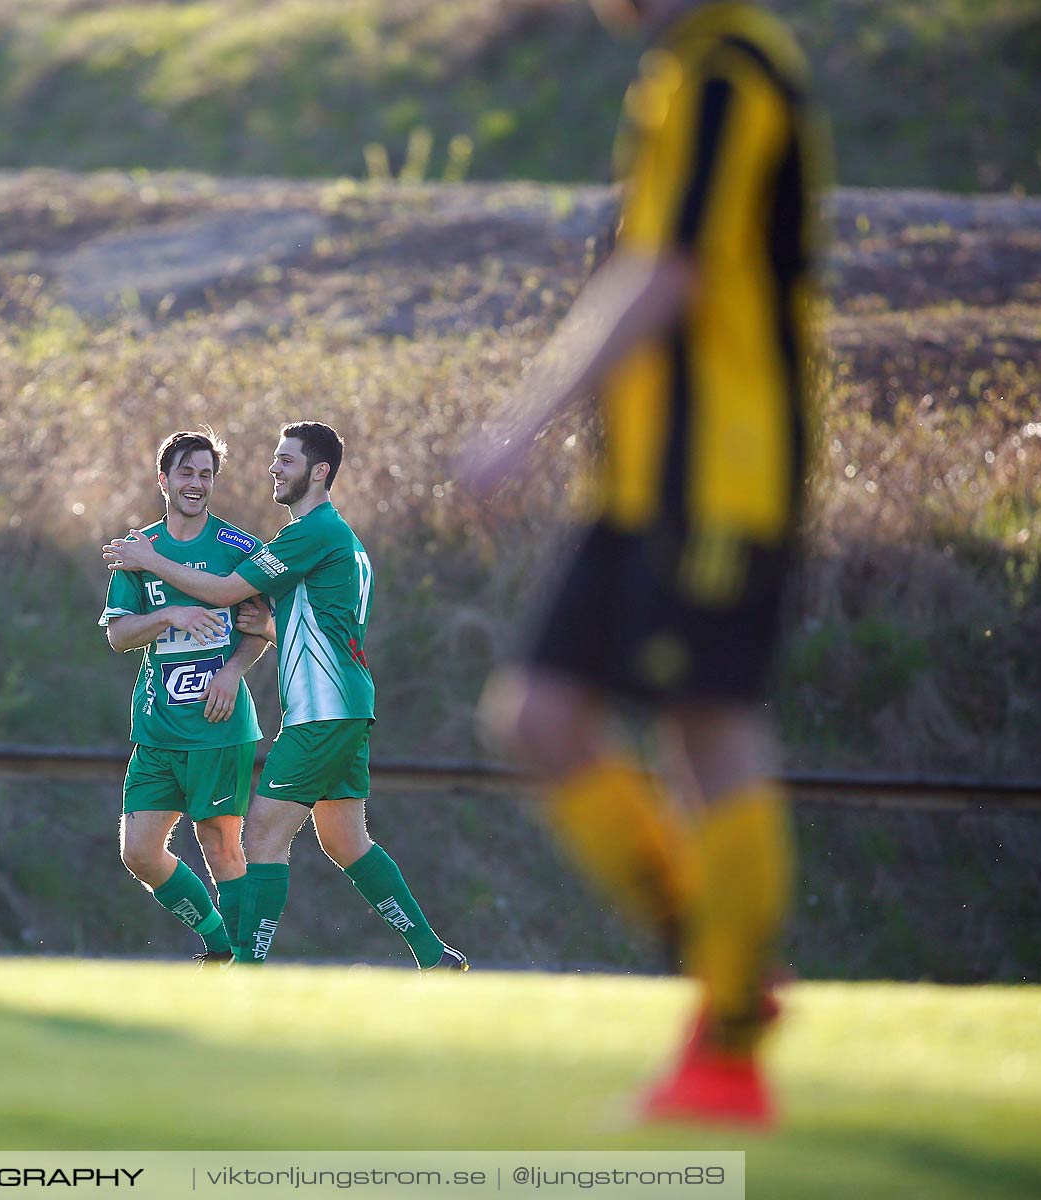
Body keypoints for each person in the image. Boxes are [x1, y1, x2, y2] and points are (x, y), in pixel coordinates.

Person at [457, 0, 829, 1127]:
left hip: (723, 476)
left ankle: (725, 1059)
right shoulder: (677, 72)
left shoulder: (732, 68)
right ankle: (725, 959)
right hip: (639, 485)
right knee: (538, 715)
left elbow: (669, 273)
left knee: (706, 727)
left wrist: (522, 424)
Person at [106, 422, 468, 971]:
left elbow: (229, 592)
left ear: (318, 472)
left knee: (263, 835)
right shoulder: (337, 538)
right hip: (345, 706)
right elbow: (325, 622)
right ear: (164, 479)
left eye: (286, 461)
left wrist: (151, 562)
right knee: (346, 843)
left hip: (323, 712)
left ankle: (247, 971)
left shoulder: (311, 532)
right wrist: (271, 627)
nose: (274, 469)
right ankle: (433, 956)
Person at [99, 429, 271, 964]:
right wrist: (170, 615)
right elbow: (119, 635)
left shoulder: (239, 547)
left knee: (220, 845)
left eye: (206, 474)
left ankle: (244, 961)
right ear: (164, 480)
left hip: (218, 725)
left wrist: (232, 671)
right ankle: (220, 942)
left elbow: (263, 625)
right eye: (186, 473)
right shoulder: (138, 551)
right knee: (140, 853)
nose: (196, 484)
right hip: (156, 728)